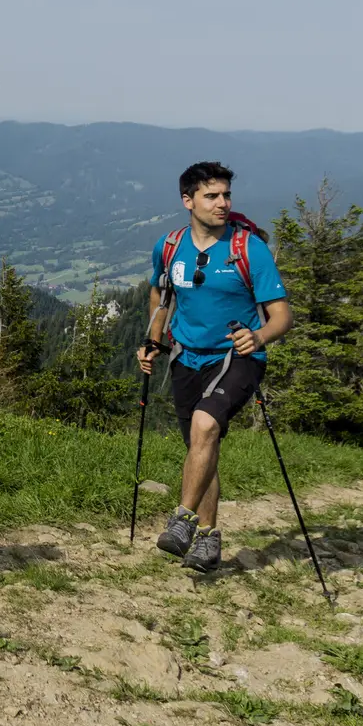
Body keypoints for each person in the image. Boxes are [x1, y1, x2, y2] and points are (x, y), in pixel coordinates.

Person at [137, 162, 293, 572]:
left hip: (238, 357)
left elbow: (282, 316)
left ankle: (182, 519)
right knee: (200, 448)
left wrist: (259, 336)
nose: (222, 203)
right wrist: (154, 339)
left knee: (204, 426)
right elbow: (160, 294)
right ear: (188, 201)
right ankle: (208, 539)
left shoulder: (249, 249)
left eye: (226, 195)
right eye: (211, 196)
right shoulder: (170, 246)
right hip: (186, 357)